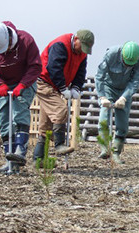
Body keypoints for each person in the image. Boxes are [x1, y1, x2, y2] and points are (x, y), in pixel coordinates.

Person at [0, 21, 42, 174]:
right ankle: (9, 159)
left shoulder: (26, 40)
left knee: (20, 112)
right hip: (2, 85)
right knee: (3, 118)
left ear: (9, 38)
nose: (3, 51)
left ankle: (20, 151)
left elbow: (35, 66)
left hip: (24, 81)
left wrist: (23, 85)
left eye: (5, 47)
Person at [32, 29, 95, 164]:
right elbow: (54, 68)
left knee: (46, 124)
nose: (82, 51)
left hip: (56, 85)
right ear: (76, 39)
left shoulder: (82, 53)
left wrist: (76, 87)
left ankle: (38, 159)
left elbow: (80, 72)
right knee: (60, 110)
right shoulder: (60, 45)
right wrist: (63, 88)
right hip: (44, 82)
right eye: (82, 47)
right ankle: (59, 145)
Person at [95, 41, 139, 164]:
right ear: (122, 54)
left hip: (125, 89)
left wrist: (124, 97)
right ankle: (104, 148)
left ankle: (116, 152)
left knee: (122, 122)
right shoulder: (111, 54)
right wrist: (102, 96)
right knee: (104, 114)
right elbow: (99, 76)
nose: (127, 66)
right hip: (108, 86)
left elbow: (135, 81)